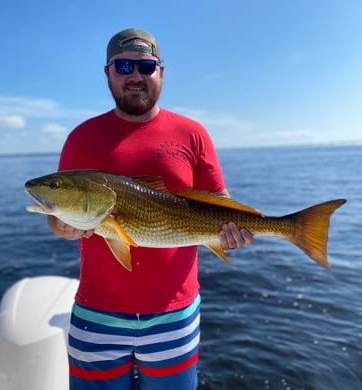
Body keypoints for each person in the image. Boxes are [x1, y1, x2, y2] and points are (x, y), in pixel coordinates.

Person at [47, 28, 253, 390]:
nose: (135, 76)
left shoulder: (193, 133)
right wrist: (59, 224)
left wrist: (234, 232)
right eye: (123, 66)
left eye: (146, 66)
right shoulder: (81, 137)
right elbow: (55, 213)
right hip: (97, 314)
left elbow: (221, 204)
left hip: (174, 314)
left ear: (160, 72)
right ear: (108, 73)